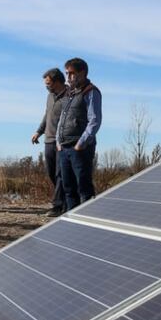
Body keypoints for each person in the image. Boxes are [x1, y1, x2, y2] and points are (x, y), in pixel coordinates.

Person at [55, 57, 102, 211]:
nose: (68, 77)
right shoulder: (69, 94)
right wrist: (57, 141)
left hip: (80, 149)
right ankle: (71, 222)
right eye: (67, 73)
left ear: (82, 73)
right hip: (64, 147)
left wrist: (80, 144)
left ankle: (87, 221)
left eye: (71, 73)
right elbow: (62, 118)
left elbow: (94, 121)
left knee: (84, 188)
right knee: (68, 188)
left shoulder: (91, 92)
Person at [31, 67, 69, 217]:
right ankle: (64, 200)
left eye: (49, 83)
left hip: (62, 141)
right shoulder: (49, 97)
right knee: (52, 173)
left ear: (58, 81)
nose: (46, 86)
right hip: (48, 139)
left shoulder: (69, 96)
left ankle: (57, 206)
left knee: (60, 173)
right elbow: (47, 115)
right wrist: (38, 132)